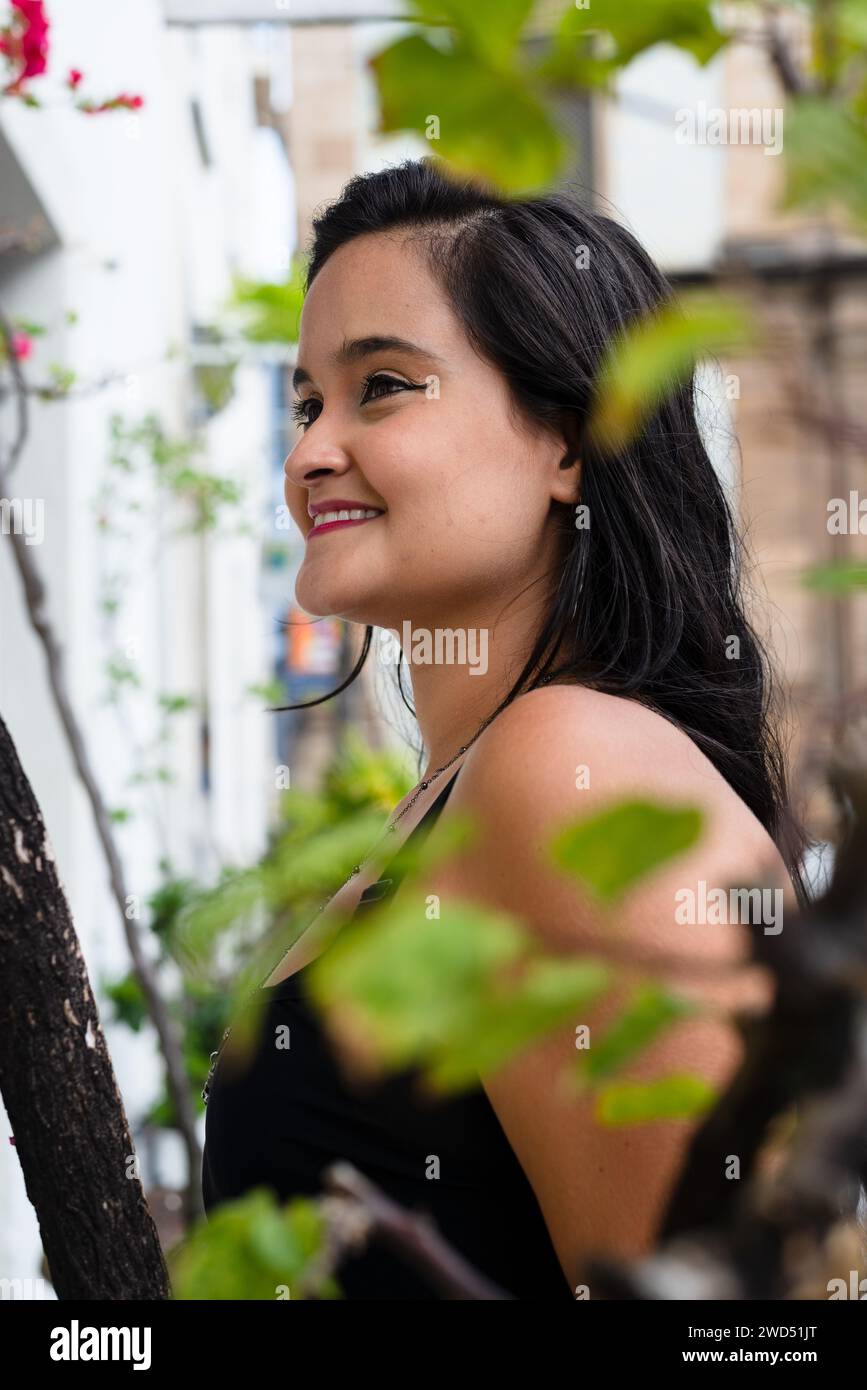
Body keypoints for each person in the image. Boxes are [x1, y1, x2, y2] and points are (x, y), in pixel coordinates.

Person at [202, 157, 804, 1299]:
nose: (308, 454)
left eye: (382, 386)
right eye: (306, 401)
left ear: (568, 442)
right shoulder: (461, 790)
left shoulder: (569, 766)